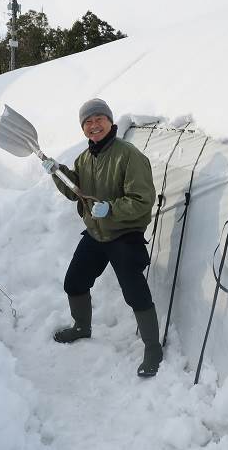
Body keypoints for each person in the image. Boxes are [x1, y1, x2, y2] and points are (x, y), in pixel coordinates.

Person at [41, 98, 162, 377]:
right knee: (74, 282)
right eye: (88, 122)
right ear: (83, 129)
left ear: (110, 122)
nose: (93, 125)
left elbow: (143, 201)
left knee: (135, 293)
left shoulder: (128, 155)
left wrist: (112, 208)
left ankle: (153, 348)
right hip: (97, 233)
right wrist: (57, 172)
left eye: (98, 119)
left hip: (124, 234)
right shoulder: (85, 158)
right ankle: (82, 327)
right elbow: (76, 191)